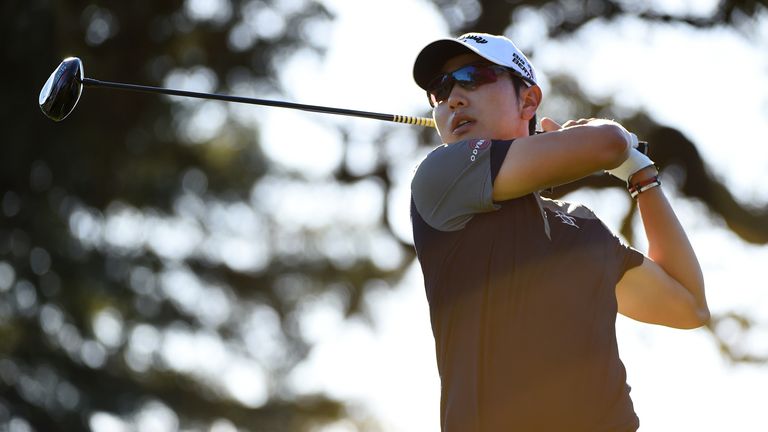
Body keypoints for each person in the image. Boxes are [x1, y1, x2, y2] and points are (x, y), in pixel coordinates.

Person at [409, 32, 710, 431]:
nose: (454, 98)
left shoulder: (582, 225)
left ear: (529, 101)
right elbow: (607, 142)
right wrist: (610, 141)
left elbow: (688, 305)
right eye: (440, 89)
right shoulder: (440, 175)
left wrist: (642, 177)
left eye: (473, 75)